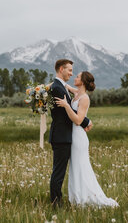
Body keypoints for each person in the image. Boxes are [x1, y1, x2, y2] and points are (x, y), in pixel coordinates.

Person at [55, 71, 119, 207]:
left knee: (81, 167)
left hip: (78, 137)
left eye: (77, 76)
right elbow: (65, 86)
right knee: (75, 168)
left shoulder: (84, 98)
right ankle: (77, 197)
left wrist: (66, 105)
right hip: (72, 136)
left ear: (82, 81)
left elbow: (78, 120)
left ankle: (86, 198)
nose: (74, 77)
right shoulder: (76, 93)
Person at [49, 59, 92, 208]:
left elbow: (74, 98)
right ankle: (56, 203)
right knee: (59, 172)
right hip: (62, 136)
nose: (72, 74)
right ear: (61, 69)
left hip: (68, 136)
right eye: (69, 70)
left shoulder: (61, 87)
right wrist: (86, 121)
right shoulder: (58, 88)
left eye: (75, 73)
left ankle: (77, 197)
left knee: (74, 169)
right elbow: (64, 113)